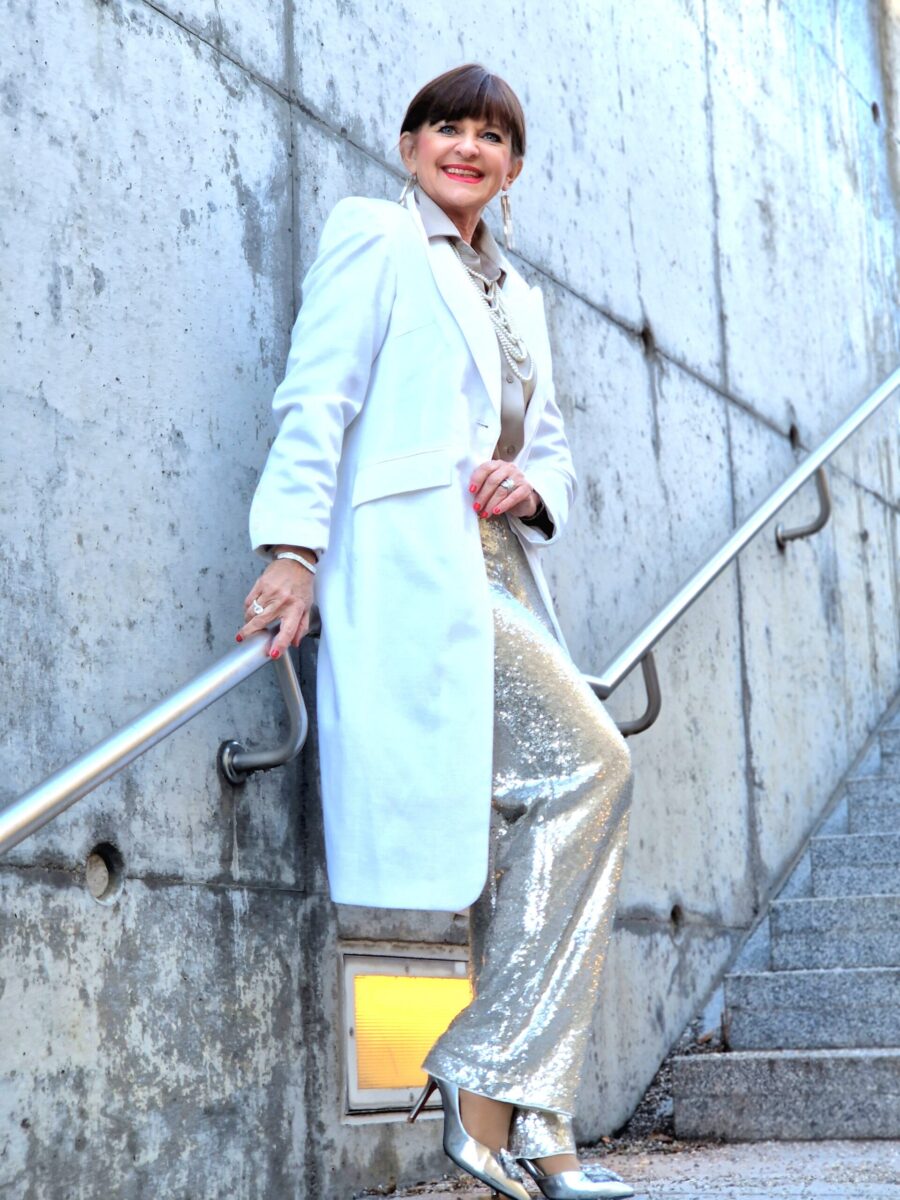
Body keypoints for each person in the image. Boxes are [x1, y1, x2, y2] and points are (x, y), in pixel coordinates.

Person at [238, 64, 635, 1200]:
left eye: (491, 137)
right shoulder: (375, 237)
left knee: (563, 807)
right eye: (447, 127)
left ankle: (535, 1125)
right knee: (592, 771)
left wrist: (530, 484)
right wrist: (293, 550)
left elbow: (550, 446)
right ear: (411, 145)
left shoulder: (522, 298)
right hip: (420, 571)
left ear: (515, 169)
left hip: (500, 568)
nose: (468, 147)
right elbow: (317, 395)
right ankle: (489, 1084)